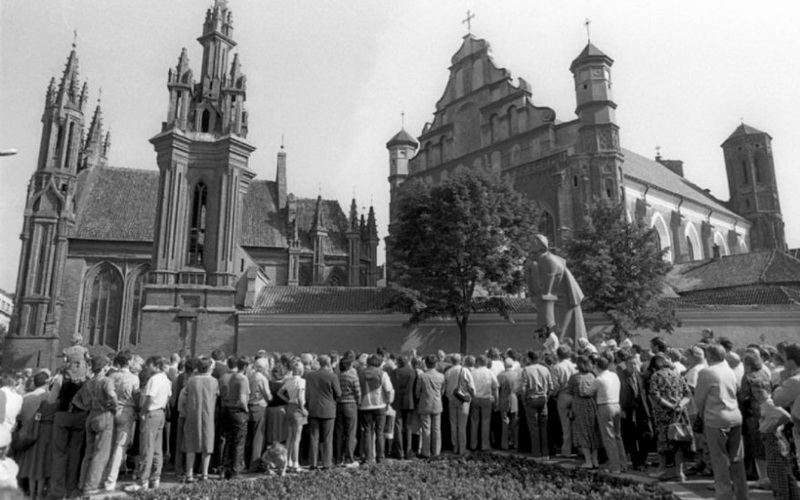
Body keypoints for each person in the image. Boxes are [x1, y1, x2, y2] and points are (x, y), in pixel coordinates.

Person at [695, 344, 749, 500]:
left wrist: (701, 414)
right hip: (735, 415)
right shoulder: (729, 370)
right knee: (737, 459)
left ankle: (724, 495)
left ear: (710, 356)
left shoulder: (706, 372)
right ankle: (742, 494)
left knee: (719, 460)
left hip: (716, 418)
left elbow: (699, 398)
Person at [524, 233, 587, 342]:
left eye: (533, 243)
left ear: (542, 246)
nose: (529, 245)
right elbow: (534, 293)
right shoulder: (538, 261)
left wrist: (533, 270)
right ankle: (549, 345)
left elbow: (545, 292)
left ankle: (559, 347)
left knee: (559, 333)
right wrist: (529, 273)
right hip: (552, 300)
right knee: (548, 333)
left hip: (564, 301)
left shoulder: (549, 261)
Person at [73, 354, 118, 496]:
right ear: (104, 367)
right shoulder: (106, 380)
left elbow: (75, 400)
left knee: (89, 452)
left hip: (91, 415)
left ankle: (82, 482)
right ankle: (91, 485)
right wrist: (114, 406)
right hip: (103, 414)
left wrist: (86, 407)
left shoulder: (88, 382)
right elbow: (112, 395)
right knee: (101, 452)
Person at [126, 356, 172, 493]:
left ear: (156, 365)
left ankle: (142, 481)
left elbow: (150, 398)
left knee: (147, 447)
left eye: (150, 365)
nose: (147, 367)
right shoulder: (166, 379)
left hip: (151, 413)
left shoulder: (154, 379)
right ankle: (155, 478)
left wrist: (142, 411)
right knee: (157, 448)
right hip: (161, 412)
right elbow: (168, 397)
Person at [648, 353, 692, 482]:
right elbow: (688, 394)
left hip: (664, 414)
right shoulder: (678, 375)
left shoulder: (656, 376)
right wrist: (680, 405)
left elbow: (655, 396)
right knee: (678, 441)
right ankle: (680, 473)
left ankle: (662, 471)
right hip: (680, 413)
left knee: (663, 442)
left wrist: (670, 406)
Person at [102, 351, 140, 492]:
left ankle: (103, 475)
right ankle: (111, 479)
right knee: (120, 446)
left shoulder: (111, 376)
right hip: (126, 411)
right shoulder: (134, 378)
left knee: (107, 444)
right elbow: (136, 397)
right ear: (129, 361)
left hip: (110, 411)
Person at [586, 353, 627, 474]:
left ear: (596, 366)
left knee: (609, 438)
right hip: (616, 404)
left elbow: (588, 392)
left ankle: (615, 467)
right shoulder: (614, 375)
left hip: (605, 406)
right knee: (618, 436)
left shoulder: (599, 379)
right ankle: (623, 464)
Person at [182, 357, 219, 483]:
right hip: (208, 414)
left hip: (192, 414)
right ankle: (204, 474)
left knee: (191, 444)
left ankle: (189, 474)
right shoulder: (214, 381)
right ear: (209, 368)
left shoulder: (191, 381)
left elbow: (185, 396)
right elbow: (217, 395)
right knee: (207, 443)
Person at [738, 351, 771, 487]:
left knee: (756, 444)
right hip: (766, 411)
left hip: (753, 413)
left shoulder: (748, 376)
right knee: (767, 444)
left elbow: (743, 396)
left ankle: (761, 476)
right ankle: (769, 475)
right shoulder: (764, 374)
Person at [15, 371, 49, 499]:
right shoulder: (48, 397)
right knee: (39, 465)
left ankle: (22, 489)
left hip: (25, 434)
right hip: (42, 434)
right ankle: (37, 492)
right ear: (46, 383)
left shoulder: (25, 397)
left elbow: (19, 416)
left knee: (24, 463)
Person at [617, 349, 652, 472]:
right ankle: (637, 462)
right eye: (631, 363)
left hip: (642, 409)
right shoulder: (621, 376)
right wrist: (621, 408)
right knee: (631, 436)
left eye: (635, 363)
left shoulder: (640, 376)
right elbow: (620, 394)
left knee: (646, 434)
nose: (634, 365)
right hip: (628, 409)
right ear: (626, 365)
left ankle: (643, 459)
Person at [304, 355, 341, 470]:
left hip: (313, 408)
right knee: (327, 438)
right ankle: (326, 463)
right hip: (328, 409)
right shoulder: (332, 376)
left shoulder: (310, 376)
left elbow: (307, 393)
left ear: (319, 363)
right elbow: (339, 393)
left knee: (314, 437)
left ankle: (313, 463)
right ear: (329, 364)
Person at [358, 354, 394, 464]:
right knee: (380, 432)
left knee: (367, 431)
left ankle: (368, 458)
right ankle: (380, 457)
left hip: (364, 405)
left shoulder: (360, 373)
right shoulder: (382, 373)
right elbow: (389, 390)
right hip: (380, 405)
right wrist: (388, 402)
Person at [567, 355, 601, 469]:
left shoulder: (574, 377)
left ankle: (588, 461)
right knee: (593, 432)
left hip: (579, 404)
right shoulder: (593, 376)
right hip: (592, 404)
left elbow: (570, 391)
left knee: (582, 432)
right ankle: (595, 460)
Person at [519, 350, 552, 459]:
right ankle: (545, 453)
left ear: (529, 358)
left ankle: (537, 453)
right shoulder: (545, 369)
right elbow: (551, 387)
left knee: (533, 427)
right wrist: (546, 397)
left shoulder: (526, 370)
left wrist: (523, 400)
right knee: (544, 426)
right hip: (543, 398)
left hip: (531, 398)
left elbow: (523, 388)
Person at [221, 357, 250, 479]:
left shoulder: (231, 377)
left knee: (229, 440)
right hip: (238, 411)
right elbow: (242, 399)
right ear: (245, 367)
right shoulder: (243, 379)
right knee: (239, 442)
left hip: (228, 409)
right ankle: (235, 470)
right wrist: (247, 411)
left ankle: (224, 468)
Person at [278, 359, 307, 473]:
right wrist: (303, 409)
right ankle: (296, 463)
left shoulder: (289, 380)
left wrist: (288, 400)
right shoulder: (302, 381)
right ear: (301, 370)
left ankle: (288, 461)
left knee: (290, 437)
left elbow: (280, 392)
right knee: (297, 438)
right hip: (297, 408)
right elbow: (300, 396)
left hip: (289, 406)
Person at [415, 355, 445, 457]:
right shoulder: (441, 376)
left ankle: (426, 451)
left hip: (425, 403)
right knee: (437, 429)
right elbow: (442, 391)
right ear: (436, 363)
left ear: (426, 363)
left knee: (425, 429)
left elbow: (417, 393)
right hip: (437, 404)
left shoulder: (422, 376)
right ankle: (436, 451)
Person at [334, 356, 361, 466]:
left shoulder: (336, 377)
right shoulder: (353, 377)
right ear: (349, 366)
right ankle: (349, 458)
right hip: (350, 404)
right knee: (350, 432)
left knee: (339, 432)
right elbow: (358, 392)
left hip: (339, 404)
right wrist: (358, 402)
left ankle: (338, 458)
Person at [246, 357, 272, 470]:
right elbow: (268, 395)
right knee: (258, 437)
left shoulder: (249, 376)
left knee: (249, 436)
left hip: (249, 405)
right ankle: (255, 463)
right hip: (259, 405)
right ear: (262, 368)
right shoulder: (261, 378)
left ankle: (247, 462)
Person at [390, 355, 417, 460]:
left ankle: (399, 451)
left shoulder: (394, 372)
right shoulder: (412, 371)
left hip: (397, 401)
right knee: (408, 427)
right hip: (409, 401)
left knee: (398, 426)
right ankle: (408, 451)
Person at [469, 355, 498, 452]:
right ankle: (485, 445)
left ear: (477, 362)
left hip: (475, 398)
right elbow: (495, 388)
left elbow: (469, 386)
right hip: (486, 399)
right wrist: (496, 401)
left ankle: (473, 444)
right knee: (486, 422)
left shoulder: (473, 372)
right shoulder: (490, 373)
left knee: (474, 422)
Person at [551, 346, 576, 457]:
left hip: (563, 393)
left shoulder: (557, 367)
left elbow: (555, 385)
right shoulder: (574, 366)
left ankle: (566, 450)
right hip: (574, 394)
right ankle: (579, 448)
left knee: (565, 424)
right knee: (576, 423)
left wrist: (554, 394)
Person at [497, 358, 521, 450]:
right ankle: (516, 443)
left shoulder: (501, 375)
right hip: (514, 398)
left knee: (505, 422)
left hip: (504, 398)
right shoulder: (517, 374)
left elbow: (498, 388)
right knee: (515, 423)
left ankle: (505, 444)